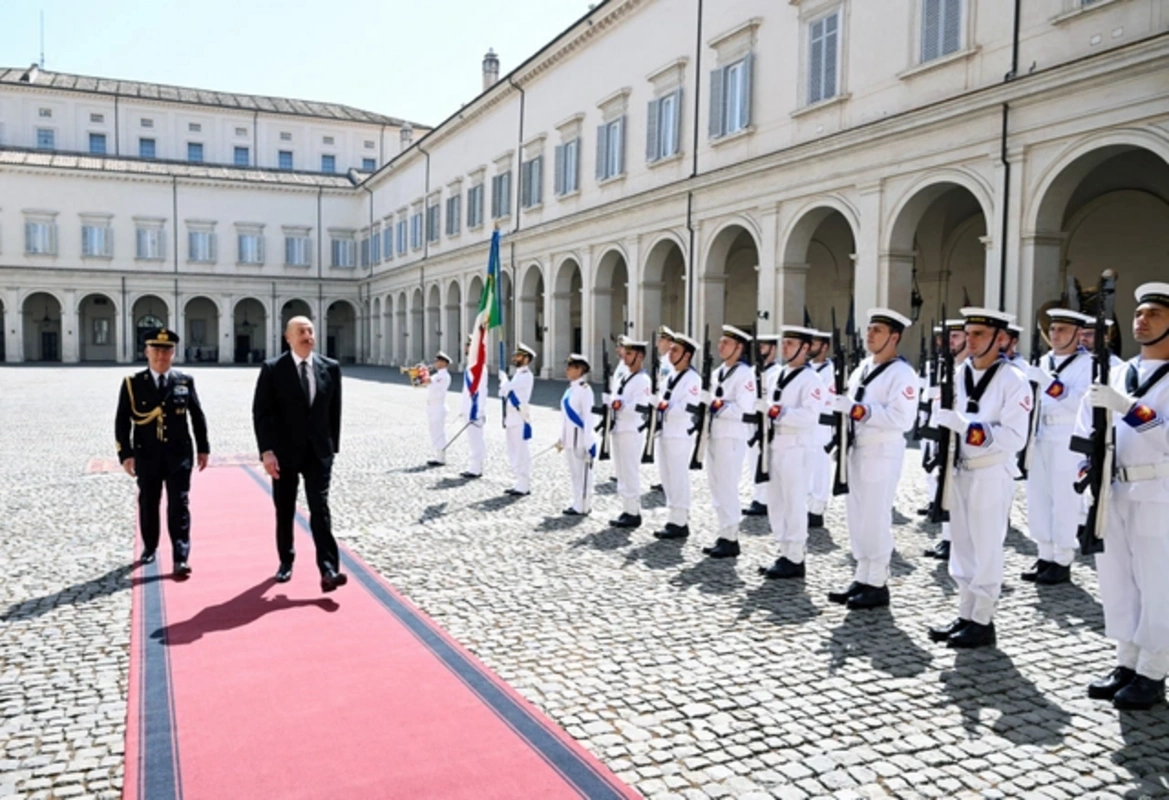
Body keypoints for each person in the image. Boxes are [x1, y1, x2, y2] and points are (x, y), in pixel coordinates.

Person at [1077, 282, 1169, 710]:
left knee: (1157, 585)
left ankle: (1153, 669)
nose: (1142, 319)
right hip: (1114, 491)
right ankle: (1126, 661)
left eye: (1154, 314)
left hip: (1158, 492)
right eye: (1139, 313)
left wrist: (1129, 406)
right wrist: (1085, 471)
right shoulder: (1118, 371)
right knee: (1117, 581)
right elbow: (1086, 426)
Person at [927, 308, 1031, 648]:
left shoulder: (1013, 380)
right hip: (960, 470)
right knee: (962, 544)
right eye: (967, 334)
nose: (969, 341)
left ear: (1000, 339)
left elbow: (1015, 438)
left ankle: (983, 619)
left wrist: (967, 428)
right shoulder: (959, 373)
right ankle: (966, 613)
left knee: (986, 545)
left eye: (979, 335)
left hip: (991, 470)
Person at [826, 308, 918, 609]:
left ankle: (877, 582)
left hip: (882, 450)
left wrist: (857, 411)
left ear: (894, 337)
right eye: (869, 329)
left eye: (877, 330)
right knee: (857, 516)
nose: (869, 334)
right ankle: (862, 575)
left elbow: (901, 419)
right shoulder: (862, 368)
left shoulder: (902, 374)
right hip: (857, 449)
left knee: (875, 516)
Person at [252, 316, 347, 592]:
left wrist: (332, 448)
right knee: (284, 509)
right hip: (284, 453)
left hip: (318, 452)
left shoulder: (331, 367)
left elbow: (334, 411)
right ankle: (286, 560)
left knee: (320, 508)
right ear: (288, 337)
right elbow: (262, 413)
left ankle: (328, 569)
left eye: (310, 331)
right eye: (301, 332)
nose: (308, 336)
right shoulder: (273, 369)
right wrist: (267, 452)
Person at [115, 327, 209, 578]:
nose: (161, 355)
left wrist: (203, 448)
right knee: (149, 502)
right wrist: (126, 453)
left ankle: (180, 556)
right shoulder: (132, 384)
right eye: (156, 349)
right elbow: (122, 420)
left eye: (166, 350)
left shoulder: (184, 381)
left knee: (179, 503)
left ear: (173, 353)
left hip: (179, 454)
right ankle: (150, 546)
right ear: (146, 352)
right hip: (147, 454)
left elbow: (197, 416)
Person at [1023, 308, 1093, 585]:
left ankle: (1062, 558)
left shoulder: (1089, 364)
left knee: (1064, 499)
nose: (1055, 334)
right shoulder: (1043, 361)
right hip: (1040, 434)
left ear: (1078, 333)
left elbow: (1079, 403)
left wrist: (1050, 384)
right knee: (1038, 497)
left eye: (1062, 329)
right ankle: (1044, 554)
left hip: (1067, 435)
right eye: (1052, 329)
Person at [759, 326, 826, 579]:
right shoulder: (779, 374)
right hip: (776, 444)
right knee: (776, 501)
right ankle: (784, 550)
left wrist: (777, 413)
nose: (785, 347)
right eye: (784, 343)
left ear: (805, 348)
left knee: (794, 501)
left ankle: (796, 555)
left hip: (797, 446)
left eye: (790, 343)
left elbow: (810, 416)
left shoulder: (811, 380)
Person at [701, 325, 756, 559]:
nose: (720, 346)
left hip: (732, 436)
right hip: (715, 434)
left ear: (739, 347)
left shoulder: (745, 374)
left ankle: (731, 537)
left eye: (726, 343)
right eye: (721, 342)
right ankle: (724, 532)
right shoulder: (718, 372)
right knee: (716, 486)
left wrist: (716, 405)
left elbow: (744, 407)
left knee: (727, 486)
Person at [923, 319, 969, 561]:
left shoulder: (970, 369)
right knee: (940, 483)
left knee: (955, 488)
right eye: (947, 337)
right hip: (939, 431)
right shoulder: (944, 366)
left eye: (956, 337)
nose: (949, 342)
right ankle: (947, 537)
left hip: (960, 436)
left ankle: (956, 541)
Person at [652, 332, 701, 540]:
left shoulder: (692, 379)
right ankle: (673, 518)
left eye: (676, 351)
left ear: (687, 355)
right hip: (666, 432)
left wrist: (664, 407)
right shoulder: (670, 376)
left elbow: (687, 408)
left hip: (680, 433)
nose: (670, 353)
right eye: (670, 349)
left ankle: (680, 520)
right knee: (667, 476)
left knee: (678, 477)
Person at [608, 338, 652, 528]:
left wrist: (621, 405)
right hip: (619, 427)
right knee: (621, 471)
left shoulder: (643, 379)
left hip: (631, 429)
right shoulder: (623, 376)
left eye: (629, 354)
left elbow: (641, 405)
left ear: (640, 356)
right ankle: (626, 509)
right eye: (624, 353)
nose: (624, 357)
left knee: (630, 470)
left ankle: (633, 511)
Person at [744, 334, 780, 517]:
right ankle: (758, 497)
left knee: (765, 461)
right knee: (753, 462)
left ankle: (766, 499)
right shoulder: (751, 371)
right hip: (751, 423)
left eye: (764, 347)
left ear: (773, 349)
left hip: (766, 423)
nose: (760, 350)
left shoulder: (777, 373)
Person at [558, 354, 596, 516]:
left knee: (583, 473)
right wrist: (561, 438)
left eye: (571, 366)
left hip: (580, 439)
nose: (567, 369)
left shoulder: (585, 390)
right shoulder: (570, 389)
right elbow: (565, 418)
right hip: (569, 439)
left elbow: (588, 417)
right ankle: (577, 502)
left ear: (580, 369)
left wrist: (590, 443)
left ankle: (584, 504)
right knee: (575, 474)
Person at [500, 343, 536, 496]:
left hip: (519, 418)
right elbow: (504, 391)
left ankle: (524, 484)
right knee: (513, 451)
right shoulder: (518, 374)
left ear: (526, 359)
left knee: (521, 452)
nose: (515, 358)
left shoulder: (526, 375)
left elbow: (506, 388)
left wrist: (503, 380)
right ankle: (519, 482)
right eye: (515, 355)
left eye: (518, 356)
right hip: (511, 418)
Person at [807, 330, 834, 529]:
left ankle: (816, 510)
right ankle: (805, 505)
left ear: (824, 347)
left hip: (821, 425)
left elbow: (827, 401)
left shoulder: (830, 372)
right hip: (804, 425)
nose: (809, 347)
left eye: (814, 343)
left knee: (819, 469)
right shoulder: (805, 369)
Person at [650, 326, 675, 492]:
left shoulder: (671, 360)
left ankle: (671, 479)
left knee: (670, 447)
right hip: (660, 406)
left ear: (669, 342)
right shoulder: (662, 360)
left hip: (669, 409)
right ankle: (664, 478)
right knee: (662, 446)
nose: (658, 343)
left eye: (661, 340)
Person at [461, 334, 488, 478]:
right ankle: (473, 466)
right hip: (468, 409)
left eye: (469, 344)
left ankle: (476, 467)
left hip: (475, 410)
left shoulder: (479, 368)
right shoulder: (471, 367)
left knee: (476, 439)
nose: (466, 347)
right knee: (472, 439)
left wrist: (477, 410)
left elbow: (481, 391)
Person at [426, 351, 452, 466]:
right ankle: (438, 455)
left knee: (438, 432)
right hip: (432, 406)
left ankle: (441, 457)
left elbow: (428, 382)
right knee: (434, 431)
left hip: (438, 406)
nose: (435, 362)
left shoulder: (443, 376)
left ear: (443, 363)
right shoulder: (437, 375)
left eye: (437, 361)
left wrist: (423, 372)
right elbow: (421, 383)